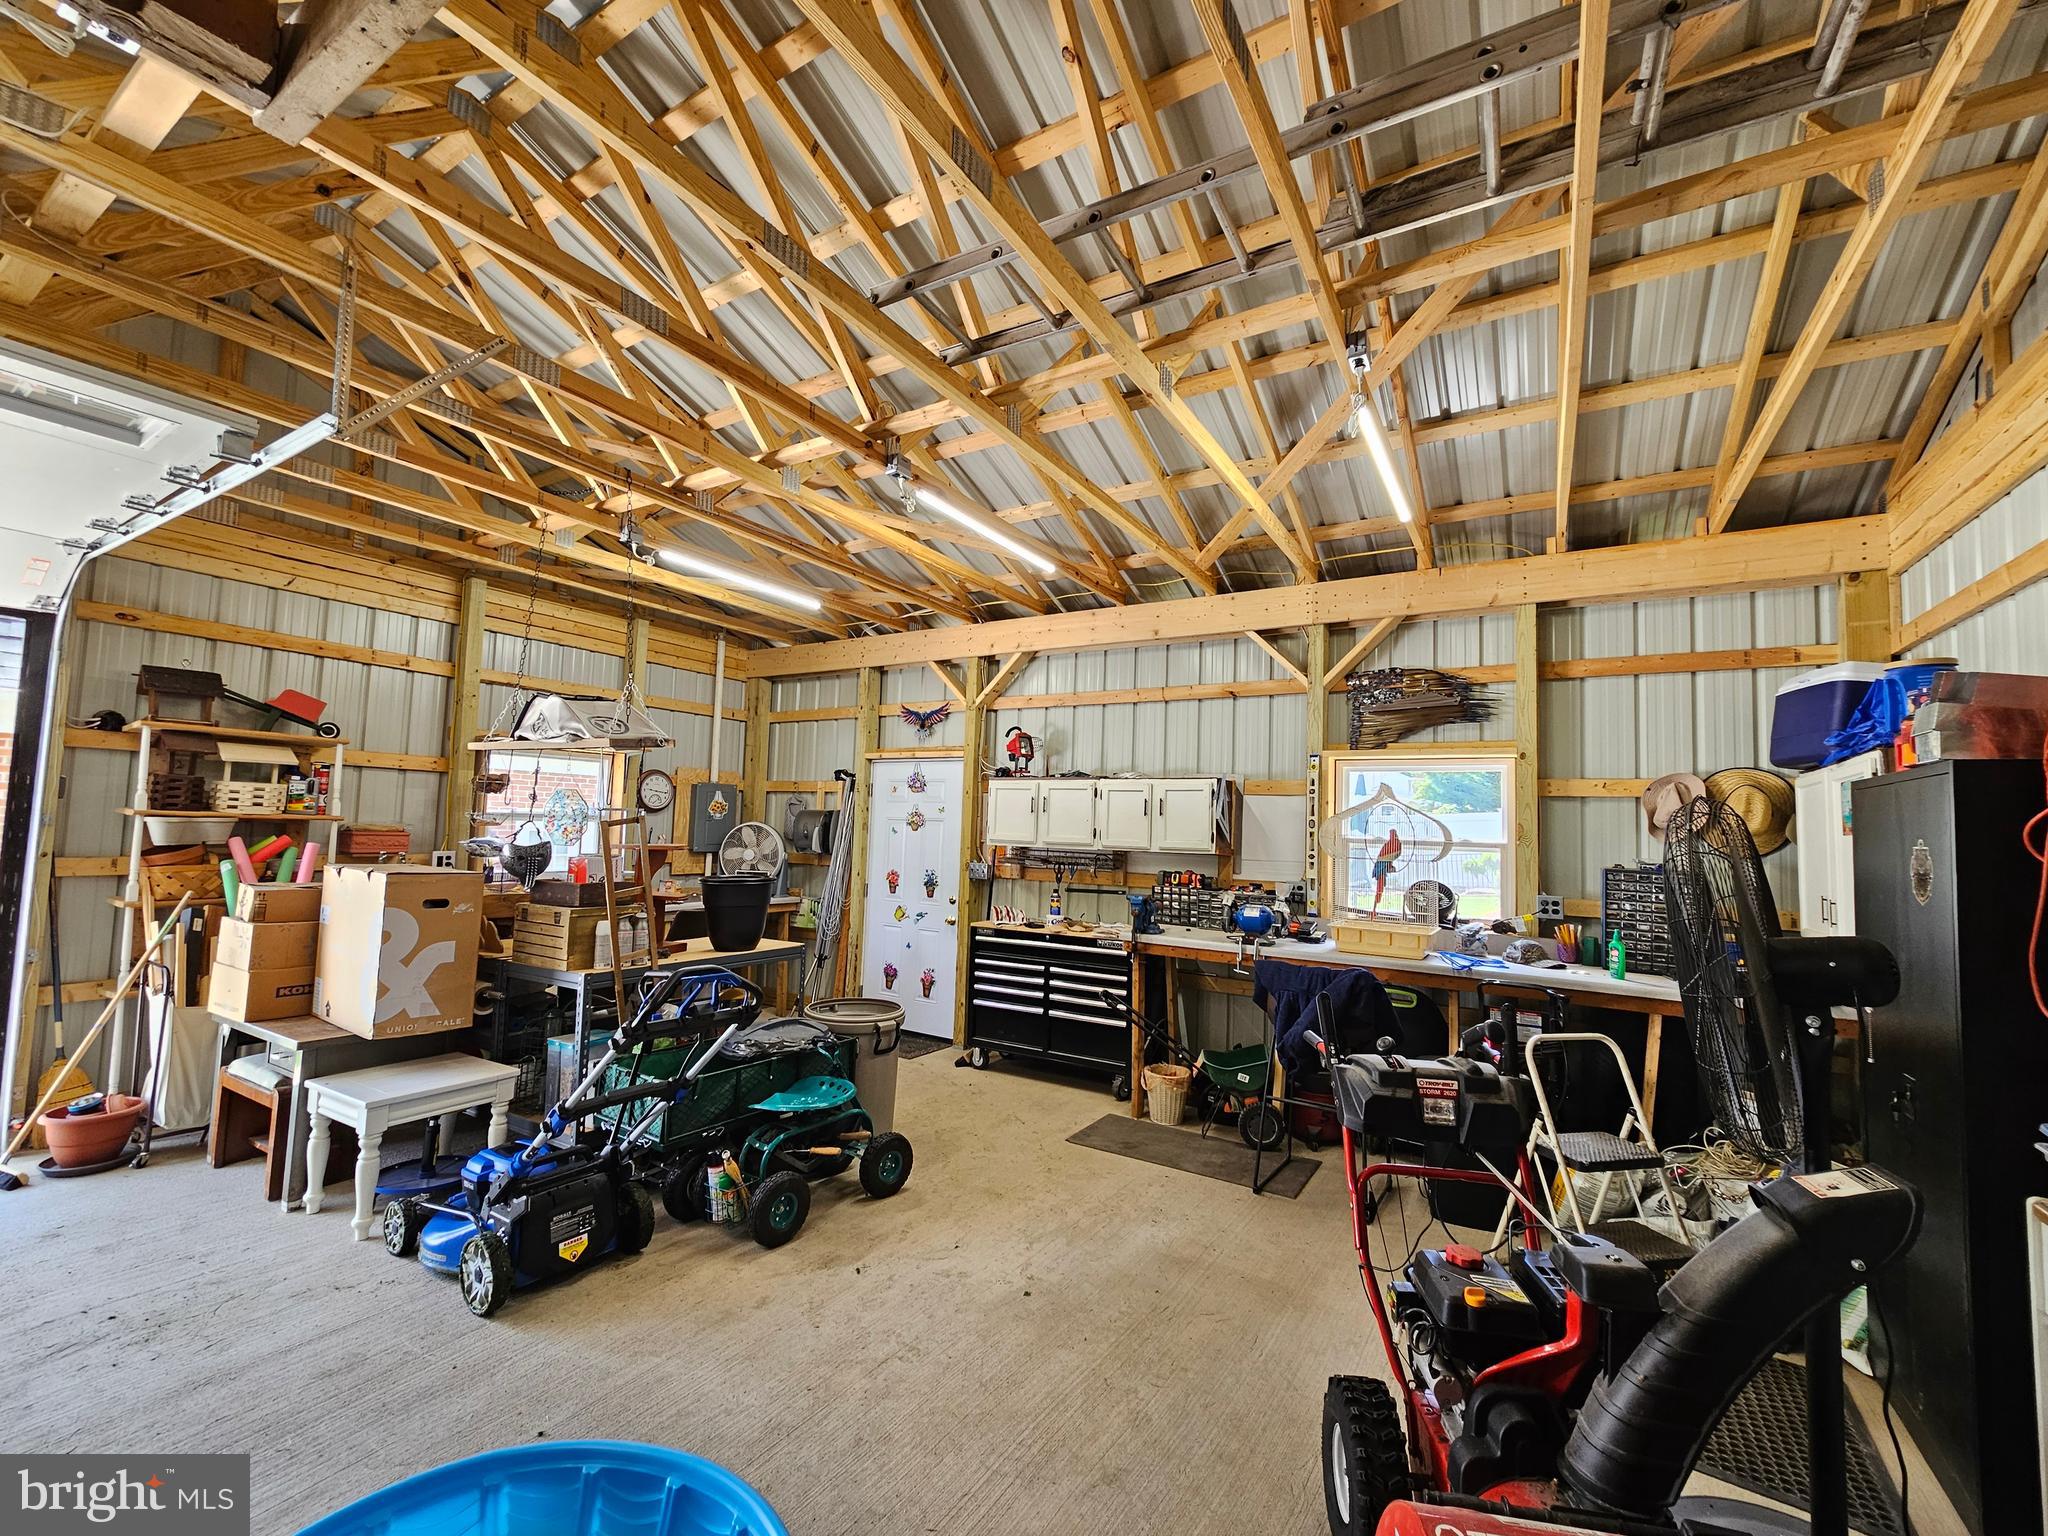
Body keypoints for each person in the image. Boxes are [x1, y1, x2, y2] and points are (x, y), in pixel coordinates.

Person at [1370, 827, 1403, 913]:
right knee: (1379, 888)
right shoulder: (1391, 845)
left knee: (1380, 888)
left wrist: (1389, 866)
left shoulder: (1394, 844)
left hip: (1384, 864)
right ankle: (1374, 909)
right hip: (1381, 866)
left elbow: (1390, 859)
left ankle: (1374, 909)